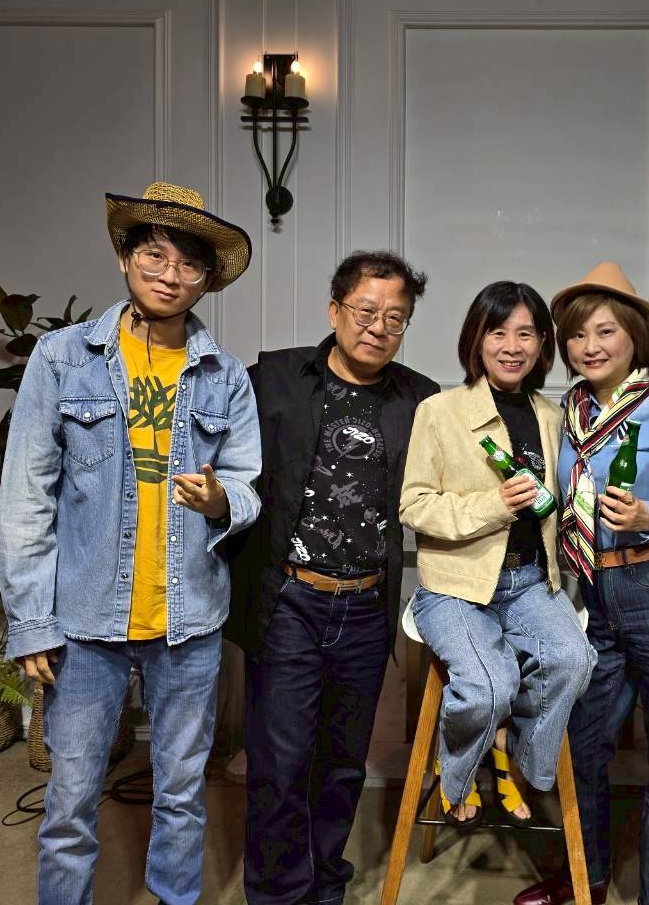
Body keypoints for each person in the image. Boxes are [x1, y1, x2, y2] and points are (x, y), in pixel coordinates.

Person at [0, 181, 262, 905]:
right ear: (124, 257)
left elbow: (247, 483)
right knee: (69, 804)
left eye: (189, 264)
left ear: (207, 280)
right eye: (154, 256)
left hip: (189, 622)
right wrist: (31, 623)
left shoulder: (225, 376)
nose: (170, 275)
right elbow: (25, 497)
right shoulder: (62, 358)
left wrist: (221, 500)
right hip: (85, 623)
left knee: (182, 796)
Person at [227, 250, 438, 905]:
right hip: (290, 599)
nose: (379, 327)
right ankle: (278, 896)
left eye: (395, 318)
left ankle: (325, 888)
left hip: (366, 606)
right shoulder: (273, 378)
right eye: (366, 310)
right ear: (334, 310)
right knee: (279, 766)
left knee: (343, 765)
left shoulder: (422, 399)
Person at [514, 261, 649, 905]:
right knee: (583, 743)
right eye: (577, 335)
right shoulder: (566, 412)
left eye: (605, 331)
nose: (590, 346)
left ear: (634, 336)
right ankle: (587, 877)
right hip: (593, 593)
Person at [399, 280, 597, 827]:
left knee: (574, 660)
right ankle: (459, 776)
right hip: (454, 587)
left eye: (526, 334)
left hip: (531, 581)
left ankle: (518, 759)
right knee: (490, 687)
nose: (512, 346)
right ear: (476, 339)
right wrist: (493, 505)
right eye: (498, 332)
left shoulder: (553, 416)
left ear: (542, 345)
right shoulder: (439, 411)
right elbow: (414, 505)